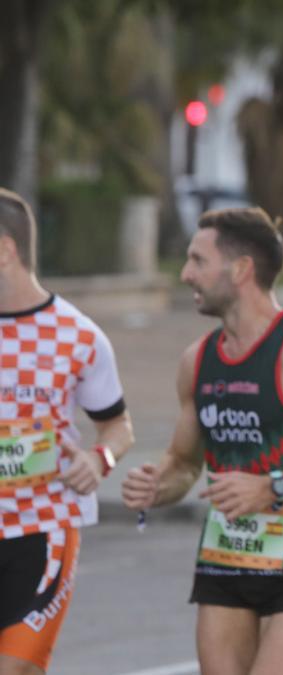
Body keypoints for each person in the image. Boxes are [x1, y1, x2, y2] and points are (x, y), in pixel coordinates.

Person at [120, 208, 283, 674]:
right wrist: (156, 486)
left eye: (198, 261)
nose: (185, 275)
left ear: (241, 269)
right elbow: (184, 464)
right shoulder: (196, 362)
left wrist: (271, 487)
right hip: (227, 552)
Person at [0, 189, 134, 675]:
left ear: (5, 250)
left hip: (42, 530)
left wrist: (100, 460)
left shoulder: (78, 336)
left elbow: (117, 426)